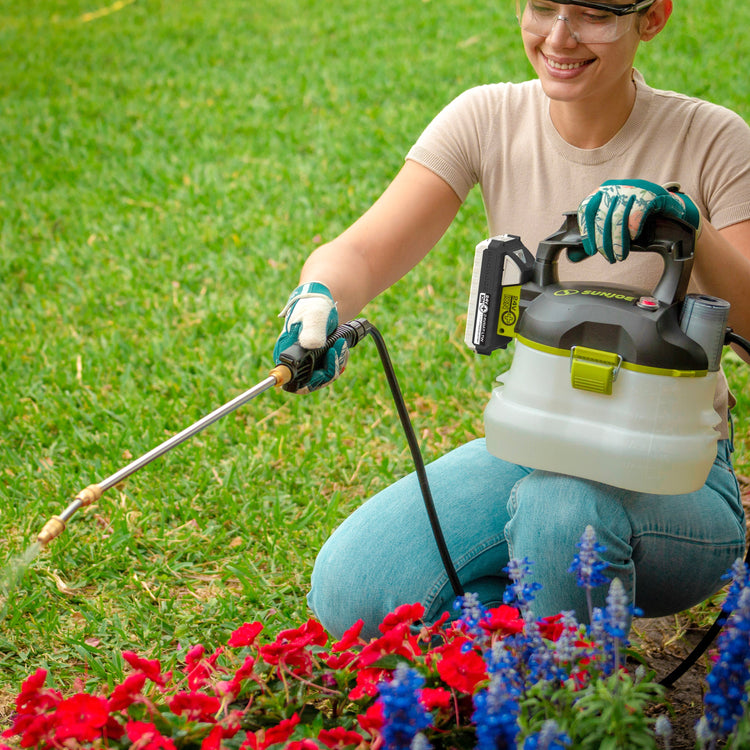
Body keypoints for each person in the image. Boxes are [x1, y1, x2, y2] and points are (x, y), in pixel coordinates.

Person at [274, 0, 750, 639]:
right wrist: (318, 299)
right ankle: (530, 634)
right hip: (537, 444)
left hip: (676, 474)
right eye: (542, 6)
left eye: (594, 13)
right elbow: (362, 249)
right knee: (356, 588)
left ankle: (573, 709)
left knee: (562, 511)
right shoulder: (488, 118)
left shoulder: (715, 140)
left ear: (653, 17)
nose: (559, 36)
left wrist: (689, 222)